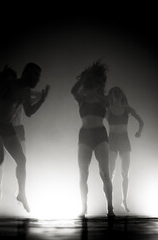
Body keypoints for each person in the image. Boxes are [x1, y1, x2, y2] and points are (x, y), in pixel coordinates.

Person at [0, 63, 50, 215]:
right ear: (26, 74)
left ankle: (21, 193)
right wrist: (0, 81)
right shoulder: (10, 83)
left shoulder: (26, 91)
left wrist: (42, 100)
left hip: (7, 127)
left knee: (22, 160)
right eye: (35, 76)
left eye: (39, 77)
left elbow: (29, 112)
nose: (37, 80)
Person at [71, 60, 115, 218]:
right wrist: (84, 79)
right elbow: (73, 90)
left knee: (104, 172)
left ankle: (110, 208)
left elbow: (107, 102)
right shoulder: (81, 98)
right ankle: (84, 208)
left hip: (100, 134)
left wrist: (95, 90)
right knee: (83, 173)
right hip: (85, 135)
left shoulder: (103, 97)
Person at [0, 91, 41, 207]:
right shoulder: (5, 96)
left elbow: (36, 96)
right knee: (0, 162)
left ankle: (20, 191)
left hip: (18, 129)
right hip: (5, 128)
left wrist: (34, 96)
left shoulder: (21, 92)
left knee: (22, 161)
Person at [106, 86, 144, 212]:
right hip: (112, 140)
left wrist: (139, 131)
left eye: (118, 93)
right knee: (110, 173)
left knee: (125, 174)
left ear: (121, 95)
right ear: (111, 96)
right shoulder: (108, 110)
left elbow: (141, 121)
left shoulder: (127, 109)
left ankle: (124, 201)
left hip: (123, 140)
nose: (116, 95)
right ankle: (109, 203)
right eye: (114, 94)